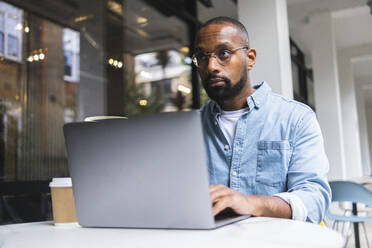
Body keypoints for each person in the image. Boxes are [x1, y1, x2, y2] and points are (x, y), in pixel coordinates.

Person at [194, 16, 331, 223]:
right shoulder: (189, 128)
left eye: (223, 53)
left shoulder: (296, 118)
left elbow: (315, 199)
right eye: (202, 57)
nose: (211, 66)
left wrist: (251, 203)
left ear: (250, 58)